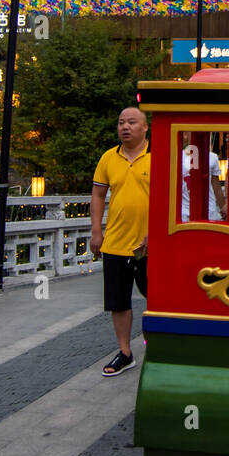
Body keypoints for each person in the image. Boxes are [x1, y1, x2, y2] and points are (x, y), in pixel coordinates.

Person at [91, 107, 151, 377]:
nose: (125, 127)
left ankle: (156, 344)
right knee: (118, 301)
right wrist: (96, 231)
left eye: (131, 122)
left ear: (145, 127)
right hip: (115, 242)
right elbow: (98, 196)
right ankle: (125, 352)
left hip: (151, 244)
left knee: (157, 297)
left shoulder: (158, 155)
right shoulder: (108, 158)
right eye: (121, 123)